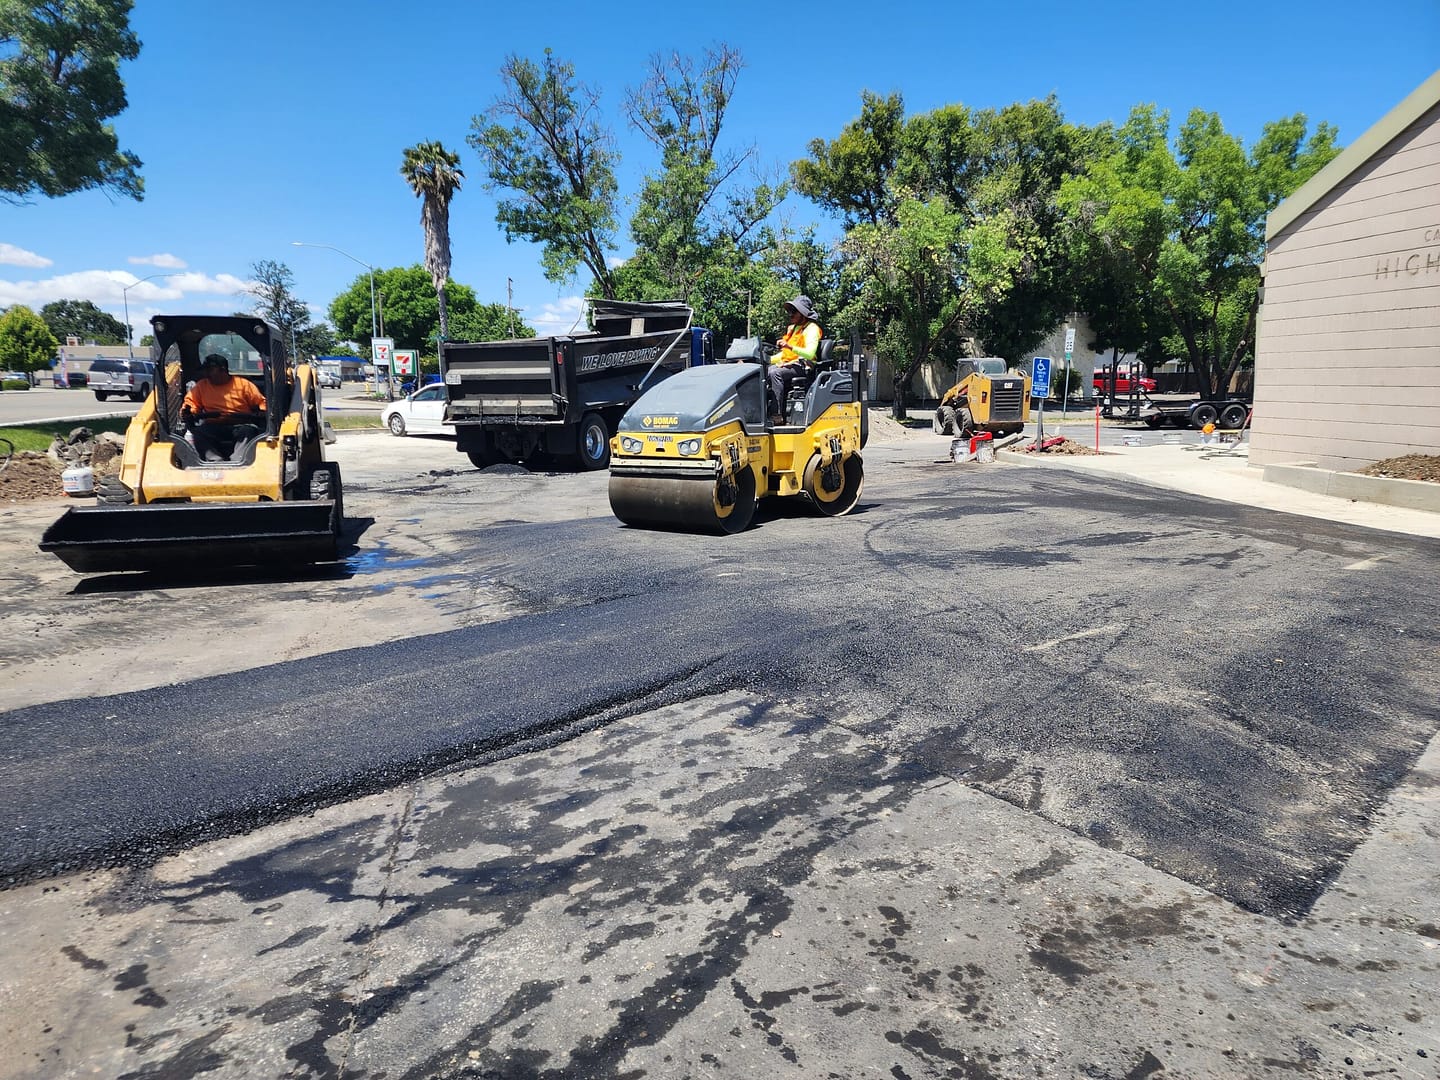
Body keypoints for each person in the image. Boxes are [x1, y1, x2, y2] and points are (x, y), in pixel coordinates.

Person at [182, 354, 267, 461]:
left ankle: (239, 461)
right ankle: (214, 460)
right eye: (206, 370)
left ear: (223, 369)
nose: (206, 374)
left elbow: (261, 402)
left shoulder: (243, 385)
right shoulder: (202, 386)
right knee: (199, 433)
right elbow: (191, 403)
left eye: (210, 370)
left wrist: (262, 411)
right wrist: (188, 412)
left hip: (241, 424)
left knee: (248, 432)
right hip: (214, 424)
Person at [767, 295, 822, 424]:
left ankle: (777, 415)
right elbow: (785, 355)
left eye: (794, 311)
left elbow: (809, 353)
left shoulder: (812, 329)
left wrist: (789, 346)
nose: (790, 315)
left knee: (775, 373)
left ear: (803, 313)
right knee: (763, 370)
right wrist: (766, 359)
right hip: (789, 364)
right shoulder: (793, 329)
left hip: (803, 366)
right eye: (789, 311)